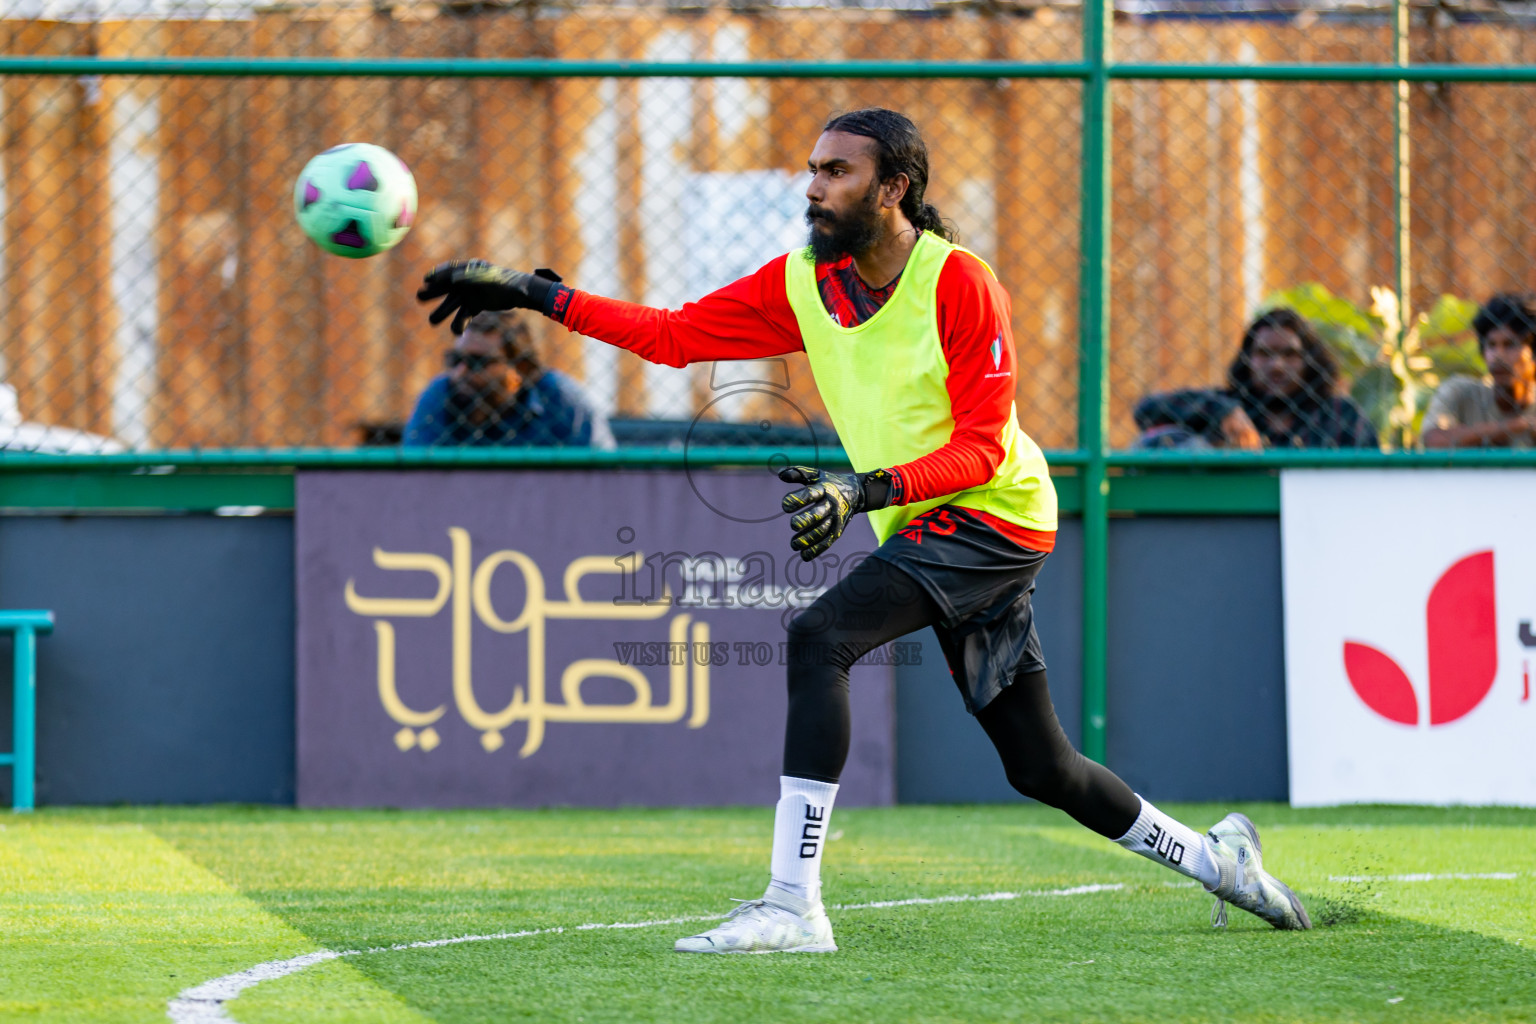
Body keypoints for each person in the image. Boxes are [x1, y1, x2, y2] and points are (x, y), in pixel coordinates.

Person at [417, 108, 1311, 952]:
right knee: (1041, 766)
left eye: (836, 171)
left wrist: (860, 489)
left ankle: (792, 905)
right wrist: (539, 294)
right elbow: (675, 336)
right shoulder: (806, 281)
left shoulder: (959, 282)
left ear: (894, 188)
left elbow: (981, 449)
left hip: (994, 517)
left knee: (819, 636)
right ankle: (1216, 860)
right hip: (924, 524)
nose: (813, 187)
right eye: (812, 170)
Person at [1134, 307, 1377, 450]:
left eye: (1289, 354)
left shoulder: (1340, 415)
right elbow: (1146, 410)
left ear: (1309, 362)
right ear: (1247, 360)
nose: (1277, 366)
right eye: (1264, 354)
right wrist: (1221, 412)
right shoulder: (1227, 407)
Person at [403, 310, 613, 449]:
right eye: (456, 359)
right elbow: (413, 481)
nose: (461, 372)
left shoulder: (561, 401)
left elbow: (605, 477)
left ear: (520, 369)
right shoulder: (439, 395)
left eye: (478, 362)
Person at [1421, 293, 1536, 449]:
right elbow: (1434, 440)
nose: (1498, 356)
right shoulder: (1461, 392)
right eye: (1491, 345)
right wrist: (1518, 426)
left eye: (1510, 345)